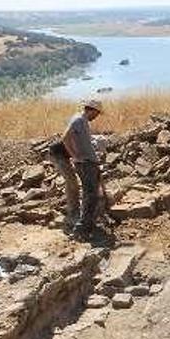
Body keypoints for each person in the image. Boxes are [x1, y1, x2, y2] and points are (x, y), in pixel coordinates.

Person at [61, 99, 104, 240]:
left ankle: (88, 224)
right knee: (90, 195)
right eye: (97, 114)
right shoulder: (78, 120)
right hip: (85, 164)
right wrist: (75, 156)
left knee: (92, 195)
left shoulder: (82, 121)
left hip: (89, 162)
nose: (96, 117)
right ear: (92, 110)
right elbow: (65, 137)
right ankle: (81, 229)